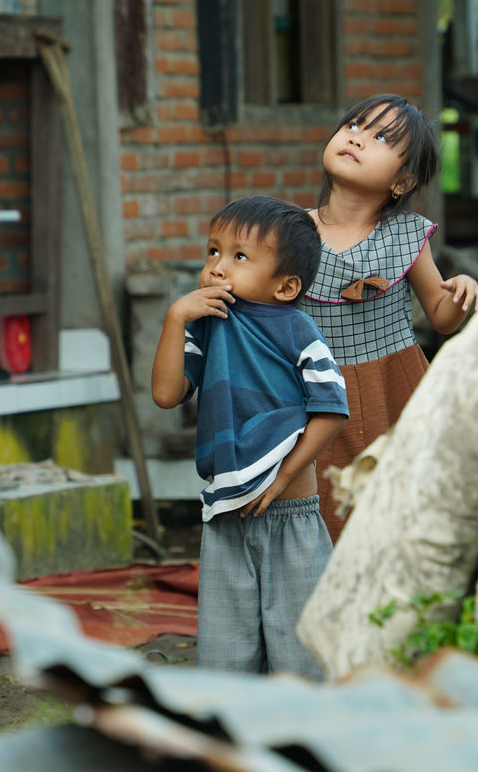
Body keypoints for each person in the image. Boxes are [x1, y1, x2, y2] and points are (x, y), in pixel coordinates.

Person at [152, 195, 348, 679]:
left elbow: (332, 409)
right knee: (226, 652)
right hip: (224, 514)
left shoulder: (297, 329)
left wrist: (283, 479)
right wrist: (175, 318)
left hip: (291, 514)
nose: (218, 268)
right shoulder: (207, 326)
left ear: (286, 286)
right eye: (212, 251)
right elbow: (165, 393)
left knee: (300, 651)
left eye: (239, 257)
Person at [300, 93, 478, 542]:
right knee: (324, 498)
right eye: (354, 126)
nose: (357, 138)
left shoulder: (407, 235)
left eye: (380, 136)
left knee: (399, 495)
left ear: (401, 183)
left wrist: (462, 292)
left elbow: (440, 317)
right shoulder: (291, 233)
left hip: (394, 381)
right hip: (317, 390)